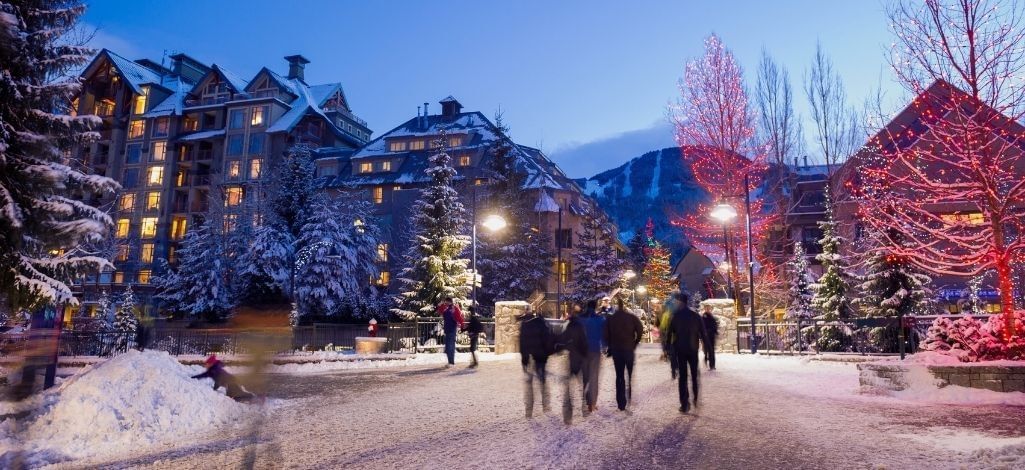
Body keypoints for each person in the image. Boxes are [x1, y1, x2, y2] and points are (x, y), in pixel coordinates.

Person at [667, 292, 710, 414]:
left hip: (680, 349)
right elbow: (703, 334)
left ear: (680, 302)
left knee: (683, 377)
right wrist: (707, 352)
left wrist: (668, 349)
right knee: (695, 375)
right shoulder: (695, 316)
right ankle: (695, 398)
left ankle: (684, 404)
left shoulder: (675, 316)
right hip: (693, 349)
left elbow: (669, 334)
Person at [605, 299, 644, 411]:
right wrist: (636, 342)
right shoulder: (631, 318)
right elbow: (640, 329)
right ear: (625, 307)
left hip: (617, 351)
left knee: (619, 376)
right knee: (629, 375)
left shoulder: (611, 319)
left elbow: (606, 334)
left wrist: (610, 346)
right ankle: (629, 395)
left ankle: (621, 402)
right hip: (628, 350)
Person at [556, 304, 588, 424]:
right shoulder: (581, 326)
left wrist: (558, 349)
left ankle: (568, 414)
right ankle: (584, 406)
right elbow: (584, 342)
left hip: (572, 358)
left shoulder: (570, 325)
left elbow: (563, 340)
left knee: (569, 387)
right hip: (580, 359)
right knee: (583, 384)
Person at [519, 309, 552, 418]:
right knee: (542, 380)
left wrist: (524, 358)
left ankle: (529, 411)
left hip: (530, 356)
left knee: (529, 383)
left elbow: (523, 343)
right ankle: (545, 405)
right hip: (541, 357)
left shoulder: (525, 326)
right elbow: (548, 341)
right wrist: (547, 355)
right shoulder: (543, 325)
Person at [579, 299, 606, 415]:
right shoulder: (600, 319)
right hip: (595, 350)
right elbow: (604, 336)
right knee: (594, 377)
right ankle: (592, 403)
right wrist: (605, 347)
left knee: (585, 376)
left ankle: (586, 400)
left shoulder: (580, 319)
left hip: (582, 351)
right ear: (595, 307)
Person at [437, 297, 464, 367]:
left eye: (447, 302)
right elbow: (439, 311)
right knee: (448, 346)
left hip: (452, 329)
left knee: (450, 346)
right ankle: (450, 362)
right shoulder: (446, 309)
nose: (446, 303)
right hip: (447, 329)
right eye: (446, 302)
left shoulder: (454, 308)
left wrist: (462, 325)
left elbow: (459, 317)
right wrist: (441, 305)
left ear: (450, 302)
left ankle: (451, 362)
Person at [659, 295, 679, 379]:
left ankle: (674, 370)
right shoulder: (679, 314)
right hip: (679, 339)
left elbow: (663, 327)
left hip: (671, 339)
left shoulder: (666, 315)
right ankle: (677, 368)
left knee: (673, 355)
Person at [701, 304, 719, 370]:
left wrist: (715, 331)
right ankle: (709, 362)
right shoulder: (704, 316)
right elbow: (703, 326)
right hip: (707, 336)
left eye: (709, 308)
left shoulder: (711, 316)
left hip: (711, 336)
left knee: (711, 351)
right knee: (709, 350)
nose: (708, 309)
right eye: (707, 308)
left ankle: (712, 365)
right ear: (705, 309)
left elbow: (714, 325)